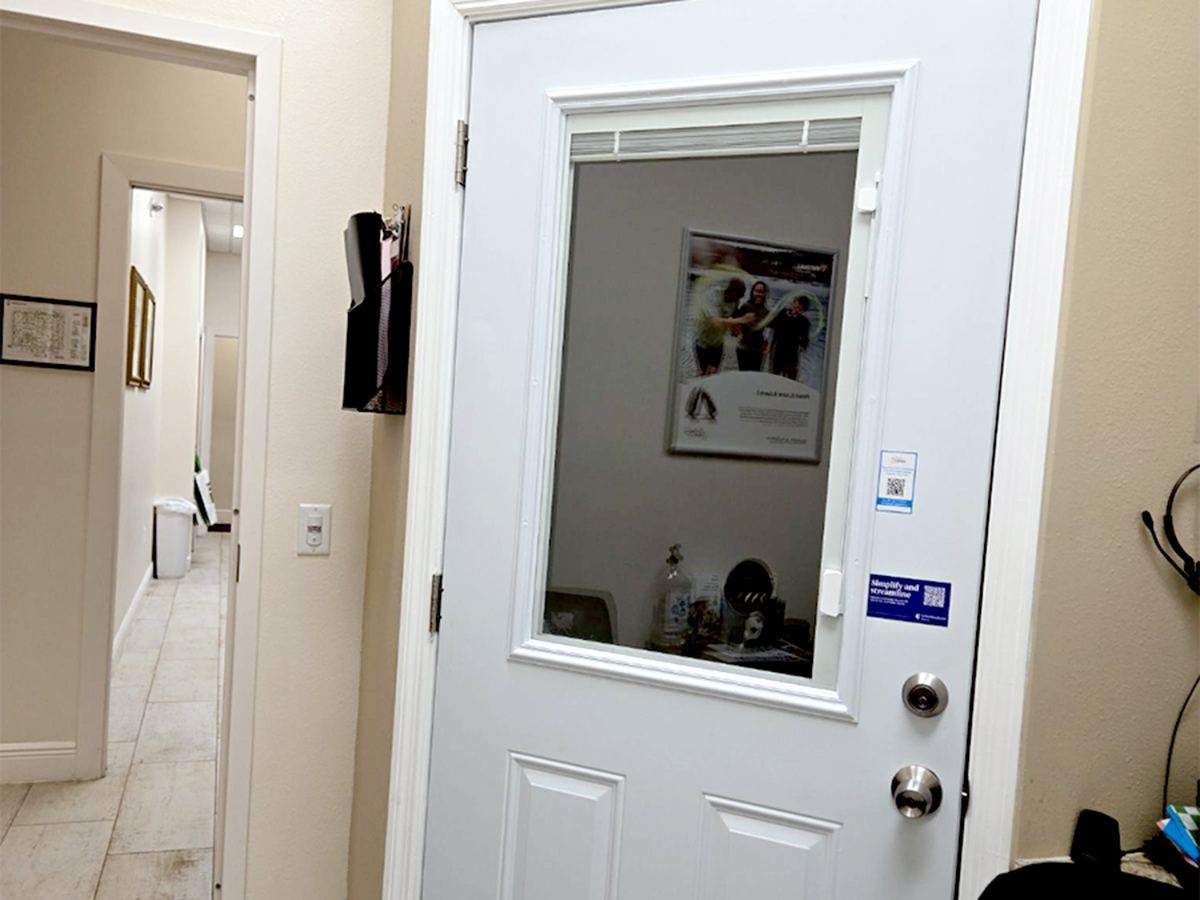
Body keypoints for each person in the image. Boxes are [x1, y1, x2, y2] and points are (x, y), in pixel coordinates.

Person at [692, 277, 754, 375]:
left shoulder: (735, 300)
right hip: (703, 341)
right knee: (703, 374)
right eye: (737, 296)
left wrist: (736, 328)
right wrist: (741, 320)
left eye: (740, 297)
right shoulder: (712, 295)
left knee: (713, 373)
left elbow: (731, 318)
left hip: (718, 342)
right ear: (731, 291)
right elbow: (714, 322)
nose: (738, 299)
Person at [767, 292, 814, 381]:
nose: (796, 309)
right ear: (792, 304)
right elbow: (772, 325)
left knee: (791, 377)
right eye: (795, 305)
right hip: (778, 349)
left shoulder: (804, 322)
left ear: (803, 310)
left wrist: (795, 319)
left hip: (792, 353)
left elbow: (804, 341)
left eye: (800, 308)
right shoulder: (782, 313)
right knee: (774, 375)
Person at [734, 280, 772, 371]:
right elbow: (734, 322)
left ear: (765, 294)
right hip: (743, 348)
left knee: (755, 376)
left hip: (758, 350)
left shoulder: (766, 312)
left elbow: (773, 329)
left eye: (761, 292)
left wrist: (767, 341)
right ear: (752, 292)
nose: (759, 294)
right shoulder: (745, 307)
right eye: (757, 291)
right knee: (743, 376)